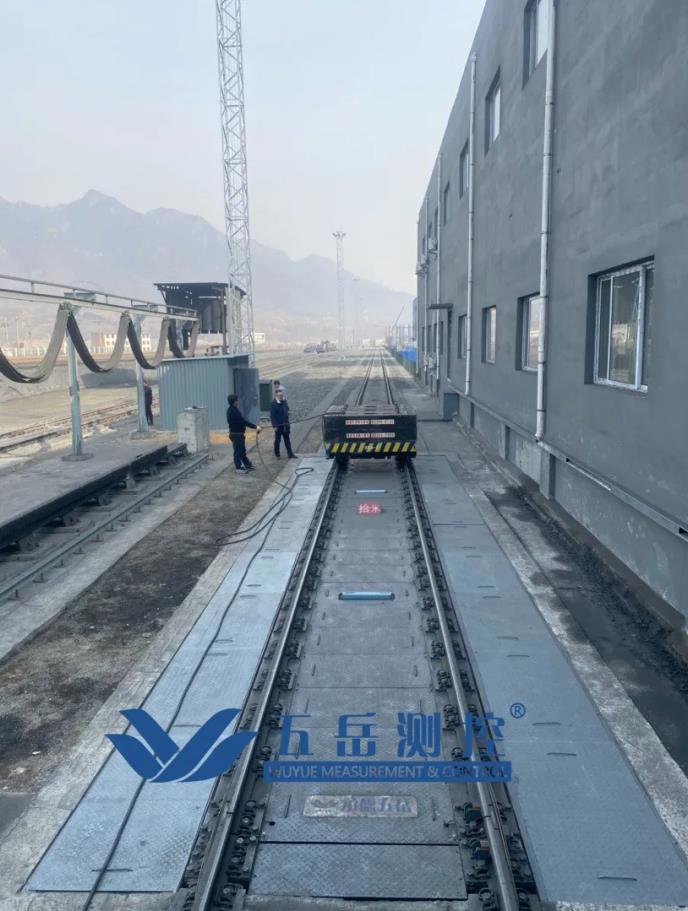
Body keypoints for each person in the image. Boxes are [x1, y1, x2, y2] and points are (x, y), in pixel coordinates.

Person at [226, 393, 260, 471]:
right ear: (234, 401)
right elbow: (243, 422)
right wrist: (255, 427)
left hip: (238, 434)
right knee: (238, 451)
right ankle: (238, 467)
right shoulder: (233, 411)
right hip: (236, 435)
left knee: (242, 451)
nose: (238, 401)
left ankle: (247, 465)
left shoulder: (233, 409)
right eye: (237, 400)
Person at [270, 386, 296, 459]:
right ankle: (277, 454)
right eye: (279, 395)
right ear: (276, 395)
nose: (281, 396)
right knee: (277, 441)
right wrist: (274, 426)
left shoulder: (284, 401)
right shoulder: (273, 404)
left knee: (287, 440)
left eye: (281, 395)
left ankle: (290, 454)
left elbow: (287, 409)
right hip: (279, 426)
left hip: (286, 425)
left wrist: (288, 412)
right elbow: (272, 416)